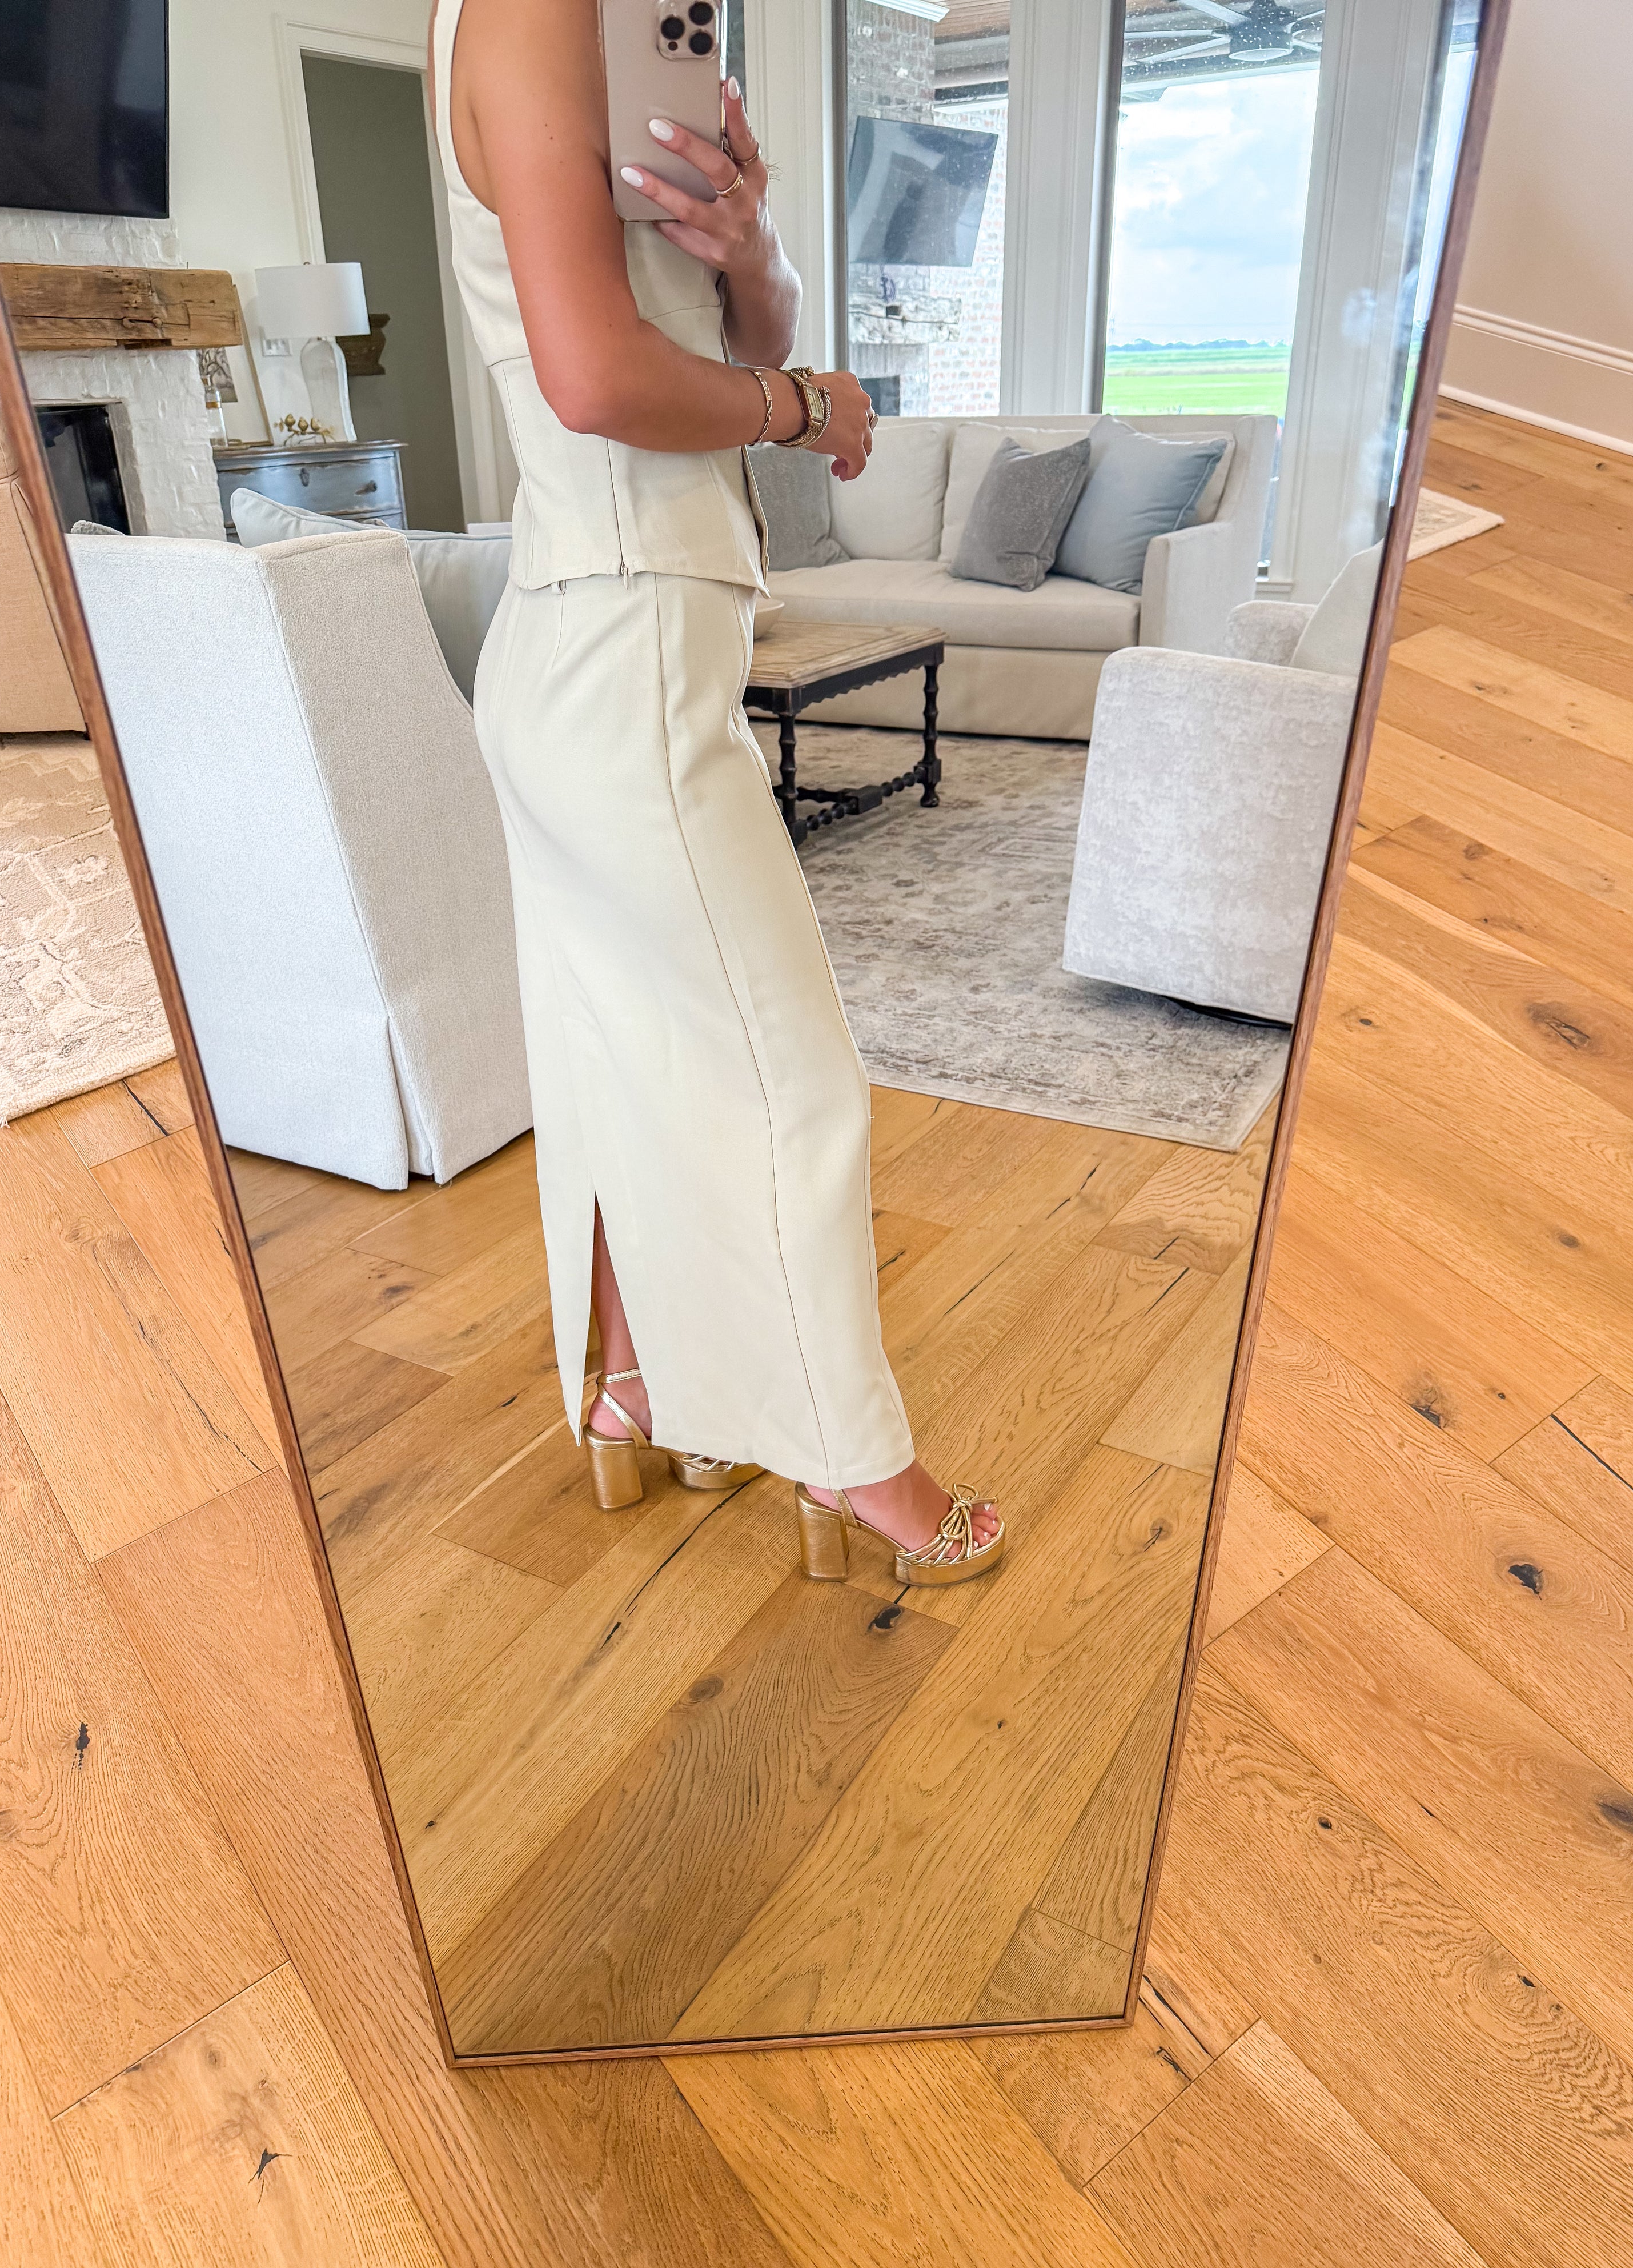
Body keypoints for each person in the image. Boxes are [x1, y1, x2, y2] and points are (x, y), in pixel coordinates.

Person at [432, 0, 1003, 1585]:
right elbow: (595, 376)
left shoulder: (609, 26)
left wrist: (748, 247)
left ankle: (635, 1393)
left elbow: (738, 330)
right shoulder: (534, 12)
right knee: (790, 1082)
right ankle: (853, 1458)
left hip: (613, 641)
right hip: (619, 644)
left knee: (630, 1060)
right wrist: (810, 407)